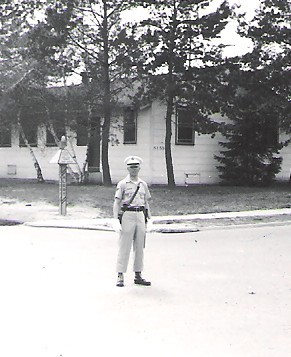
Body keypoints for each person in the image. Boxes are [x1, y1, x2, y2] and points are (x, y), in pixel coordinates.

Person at [112, 155, 152, 287]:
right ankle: (120, 274)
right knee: (124, 246)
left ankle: (138, 274)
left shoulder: (143, 184)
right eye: (131, 167)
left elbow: (146, 202)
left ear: (139, 168)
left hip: (140, 215)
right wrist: (115, 220)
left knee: (140, 246)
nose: (134, 169)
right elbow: (117, 203)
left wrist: (149, 218)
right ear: (127, 169)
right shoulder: (123, 184)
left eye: (136, 167)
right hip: (128, 215)